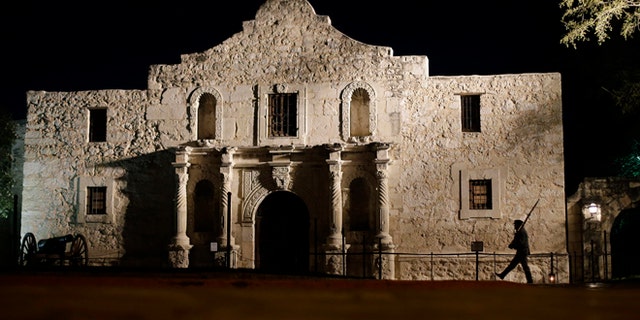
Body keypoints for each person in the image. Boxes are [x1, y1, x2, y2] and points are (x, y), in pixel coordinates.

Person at [496, 219, 533, 283]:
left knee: (523, 266)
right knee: (513, 265)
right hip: (521, 251)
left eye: (515, 224)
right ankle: (502, 275)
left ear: (518, 225)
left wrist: (513, 246)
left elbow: (521, 243)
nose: (514, 226)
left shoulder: (522, 232)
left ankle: (530, 281)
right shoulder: (520, 232)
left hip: (522, 252)